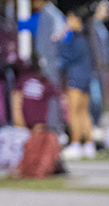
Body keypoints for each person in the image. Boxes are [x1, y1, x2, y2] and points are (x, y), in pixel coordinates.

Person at [60, 6, 95, 159]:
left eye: (70, 19)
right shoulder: (85, 37)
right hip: (86, 77)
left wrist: (62, 35)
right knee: (83, 112)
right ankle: (88, 144)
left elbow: (65, 55)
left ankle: (75, 143)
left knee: (73, 112)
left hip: (76, 77)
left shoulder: (76, 38)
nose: (67, 22)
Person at [32, 0, 66, 130]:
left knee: (51, 94)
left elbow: (56, 36)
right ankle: (54, 126)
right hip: (52, 61)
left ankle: (54, 127)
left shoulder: (50, 13)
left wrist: (44, 58)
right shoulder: (51, 13)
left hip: (50, 62)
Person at [87, 0, 109, 128]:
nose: (108, 10)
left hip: (102, 70)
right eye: (105, 7)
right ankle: (91, 127)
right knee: (95, 100)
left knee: (100, 101)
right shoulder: (91, 25)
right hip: (94, 70)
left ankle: (96, 126)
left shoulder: (101, 26)